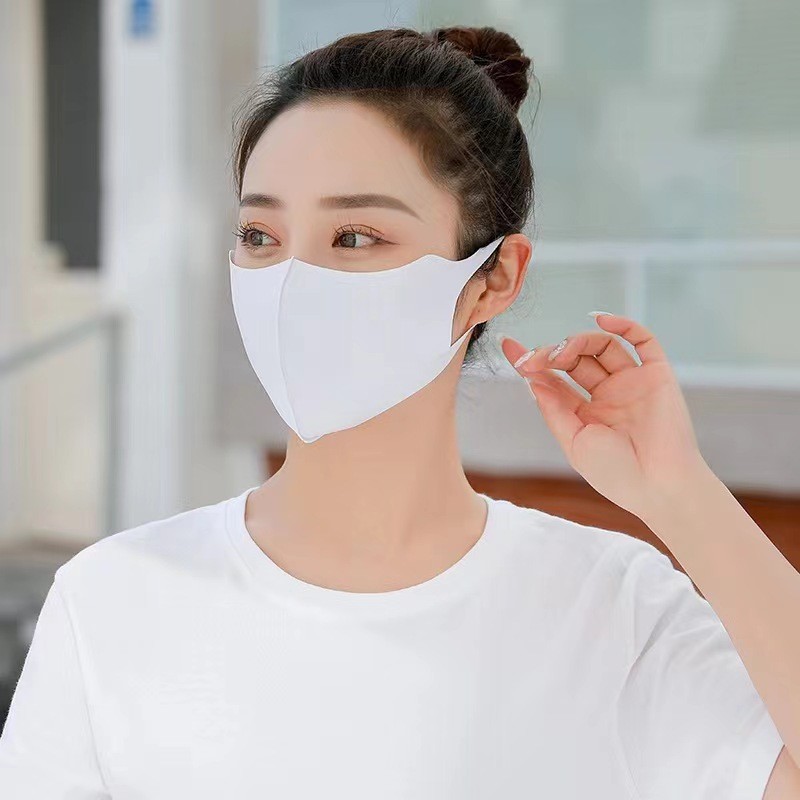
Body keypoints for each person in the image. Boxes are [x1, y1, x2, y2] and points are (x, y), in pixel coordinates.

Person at [0, 24, 796, 800]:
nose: (290, 282)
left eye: (354, 236)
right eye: (259, 234)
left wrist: (683, 495)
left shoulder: (611, 609)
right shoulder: (110, 601)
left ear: (493, 279)